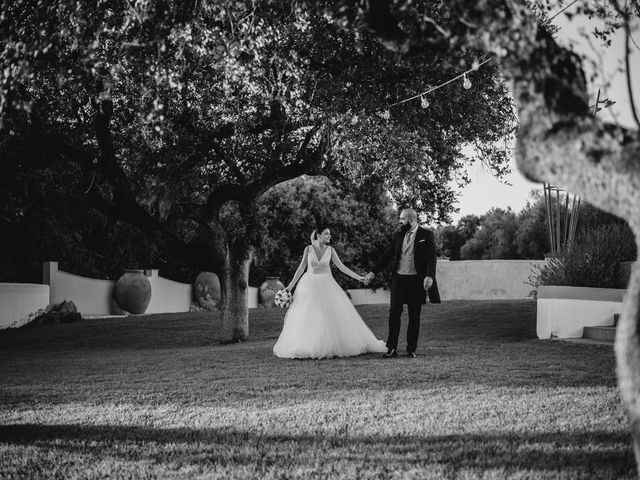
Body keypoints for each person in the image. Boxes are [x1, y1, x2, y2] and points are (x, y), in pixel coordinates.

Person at [273, 226, 387, 359]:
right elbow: (301, 268)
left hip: (327, 285)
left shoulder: (331, 250)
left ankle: (328, 345)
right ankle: (305, 345)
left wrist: (359, 277)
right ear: (319, 235)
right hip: (308, 285)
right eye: (326, 234)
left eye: (329, 234)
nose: (329, 236)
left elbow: (342, 267)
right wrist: (290, 286)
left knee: (327, 315)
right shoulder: (308, 249)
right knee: (307, 314)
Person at [364, 208, 440, 358]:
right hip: (398, 279)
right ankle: (391, 348)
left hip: (416, 280)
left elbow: (432, 258)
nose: (400, 221)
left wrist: (429, 276)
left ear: (411, 220)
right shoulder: (398, 235)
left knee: (414, 315)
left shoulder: (426, 235)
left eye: (402, 219)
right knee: (394, 313)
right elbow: (388, 255)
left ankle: (411, 349)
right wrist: (373, 271)